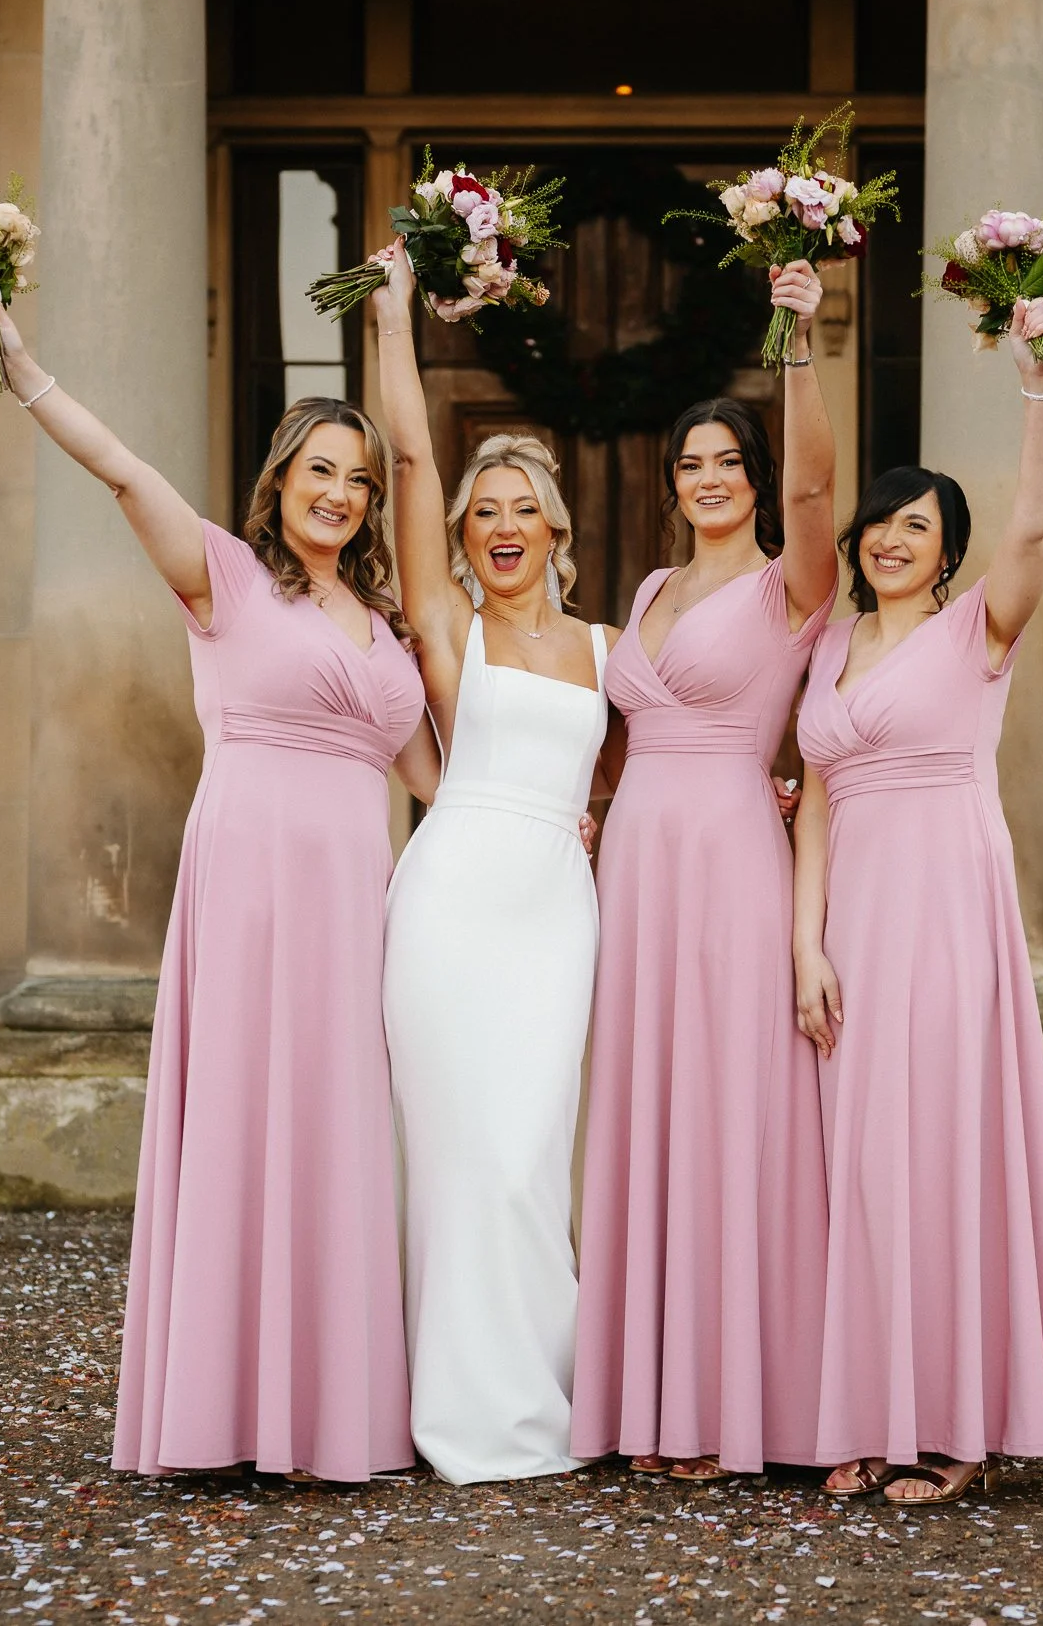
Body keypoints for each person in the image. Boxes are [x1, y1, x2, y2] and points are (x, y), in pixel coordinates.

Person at [0, 293, 437, 1483]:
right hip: (254, 877)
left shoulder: (383, 628)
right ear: (279, 480)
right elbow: (121, 469)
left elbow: (438, 775)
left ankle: (326, 1413)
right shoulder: (224, 576)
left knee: (338, 1124)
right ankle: (225, 1411)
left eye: (360, 480)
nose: (339, 492)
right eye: (319, 470)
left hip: (354, 893)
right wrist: (25, 369)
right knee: (244, 1115)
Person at [791, 297, 1043, 1505]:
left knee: (939, 1157)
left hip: (945, 906)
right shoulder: (829, 645)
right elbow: (817, 797)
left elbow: (1037, 521)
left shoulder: (981, 628)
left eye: (915, 526)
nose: (888, 537)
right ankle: (869, 1408)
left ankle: (954, 1422)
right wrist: (803, 940)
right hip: (853, 918)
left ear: (946, 548)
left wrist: (1040, 384)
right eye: (879, 521)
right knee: (860, 1167)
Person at [570, 260, 839, 1482]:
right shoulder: (650, 588)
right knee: (643, 1100)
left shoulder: (796, 586)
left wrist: (800, 334)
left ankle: (734, 1401)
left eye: (729, 460)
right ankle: (649, 1396)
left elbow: (820, 481)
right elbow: (620, 729)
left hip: (732, 848)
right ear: (672, 482)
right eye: (691, 463)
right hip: (637, 856)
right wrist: (584, 808)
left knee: (729, 1104)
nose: (710, 478)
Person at [368, 241, 615, 1485]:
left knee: (529, 1151)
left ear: (557, 527)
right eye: (486, 511)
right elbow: (409, 454)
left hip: (556, 915)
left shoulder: (611, 647)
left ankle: (550, 1389)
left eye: (526, 507)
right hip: (454, 899)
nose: (504, 525)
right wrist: (397, 317)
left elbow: (695, 752)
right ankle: (462, 1412)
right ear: (462, 531)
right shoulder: (448, 625)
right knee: (459, 1151)